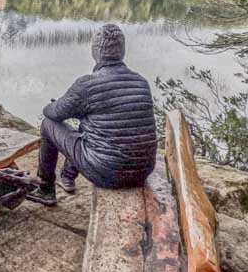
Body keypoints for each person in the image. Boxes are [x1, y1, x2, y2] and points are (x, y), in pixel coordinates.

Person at [34, 23, 158, 202]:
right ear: (122, 51)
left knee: (48, 125)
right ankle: (67, 176)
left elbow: (53, 114)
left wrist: (55, 105)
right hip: (143, 170)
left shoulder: (87, 85)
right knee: (91, 124)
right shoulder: (141, 83)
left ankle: (45, 189)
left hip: (107, 173)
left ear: (95, 51)